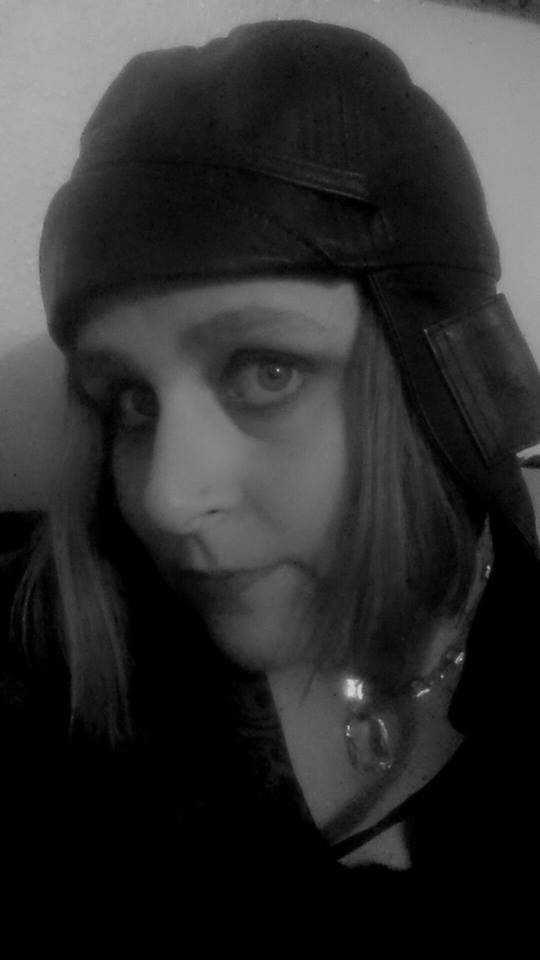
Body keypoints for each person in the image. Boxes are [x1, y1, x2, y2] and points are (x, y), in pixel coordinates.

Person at [2, 18, 540, 939]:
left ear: (445, 380)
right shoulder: (47, 655)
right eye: (130, 399)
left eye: (267, 371)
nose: (168, 499)